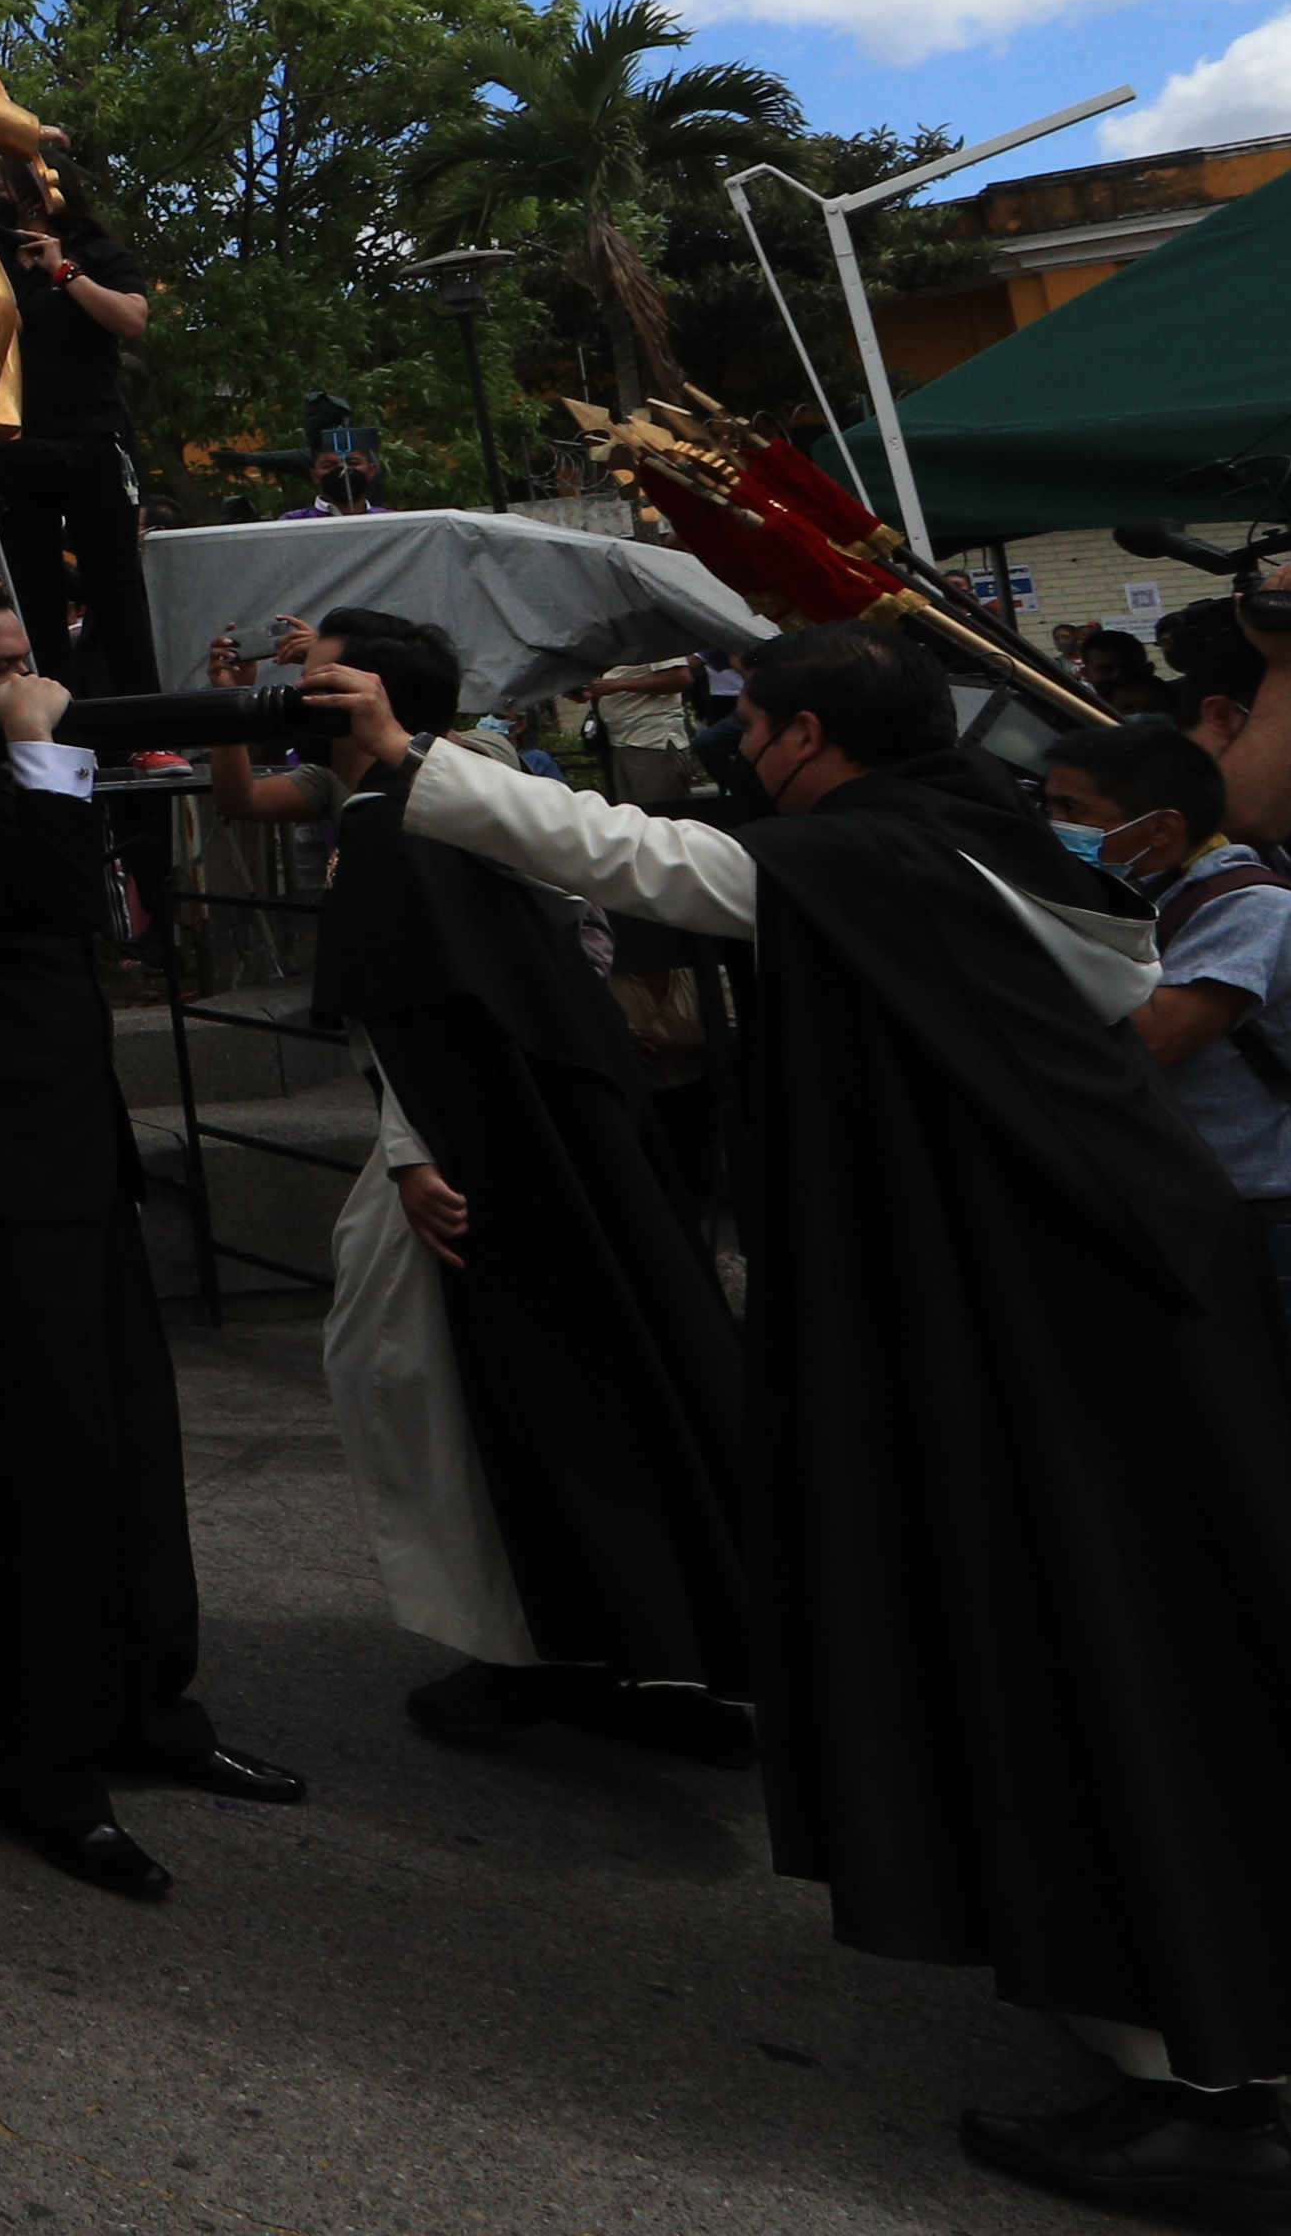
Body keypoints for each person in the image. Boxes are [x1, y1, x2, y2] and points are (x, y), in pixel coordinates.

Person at [315, 623, 1291, 2219]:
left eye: (755, 732)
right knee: (1182, 1659)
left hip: (1056, 1340)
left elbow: (642, 859)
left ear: (798, 739)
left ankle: (1218, 2100)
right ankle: (1234, 2024)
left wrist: (399, 758)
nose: (745, 760)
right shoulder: (975, 828)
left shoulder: (878, 855)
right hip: (1131, 1309)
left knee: (1116, 1669)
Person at [0, 599, 302, 1898]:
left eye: (27, 663)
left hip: (72, 1169)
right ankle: (45, 1771)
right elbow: (55, 900)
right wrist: (48, 749)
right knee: (54, 1488)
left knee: (138, 1463)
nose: (23, 686)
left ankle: (153, 1715)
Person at [289, 607, 752, 1762]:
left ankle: (552, 1647)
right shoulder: (414, 810)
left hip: (489, 1159)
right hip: (540, 1141)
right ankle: (608, 1639)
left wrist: (412, 1151)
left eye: (307, 679)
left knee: (454, 1389)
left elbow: (421, 1014)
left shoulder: (408, 820)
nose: (282, 696)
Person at [1035, 718, 1291, 1863]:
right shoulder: (1170, 902)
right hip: (1251, 1237)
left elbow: (1157, 1038)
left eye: (1071, 810)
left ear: (1158, 826)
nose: (1056, 827)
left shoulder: (1253, 910)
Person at [0, 152, 158, 697]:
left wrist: (65, 270)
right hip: (17, 448)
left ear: (37, 192)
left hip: (94, 442)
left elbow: (131, 320)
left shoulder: (100, 253)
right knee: (33, 594)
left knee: (115, 587)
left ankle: (147, 729)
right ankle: (53, 725)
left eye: (3, 182)